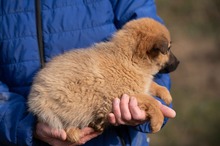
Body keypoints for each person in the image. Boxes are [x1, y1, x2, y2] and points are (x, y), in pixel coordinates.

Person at [0, 0, 176, 146]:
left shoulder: (134, 56)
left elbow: (148, 52)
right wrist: (23, 124)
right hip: (30, 126)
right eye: (167, 49)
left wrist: (153, 105)